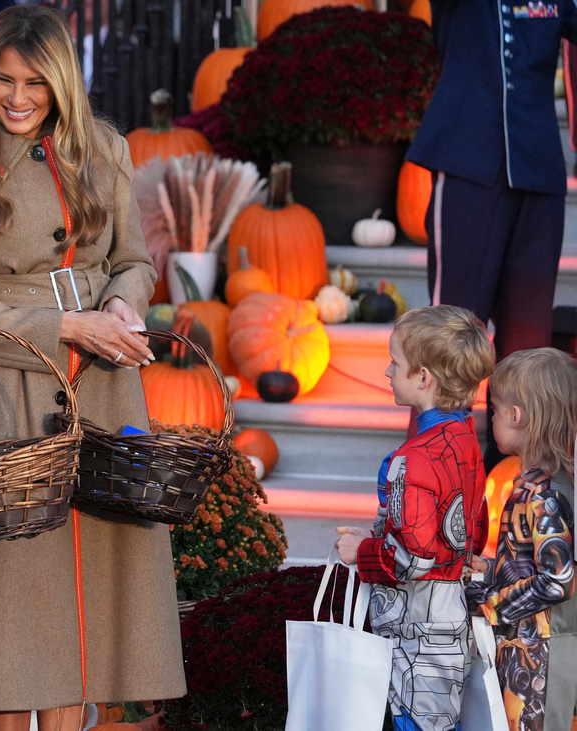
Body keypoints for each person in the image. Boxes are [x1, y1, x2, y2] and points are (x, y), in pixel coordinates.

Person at [0, 5, 184, 731]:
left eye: (35, 82)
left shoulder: (106, 149)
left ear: (63, 80)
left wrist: (124, 309)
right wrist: (68, 324)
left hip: (102, 379)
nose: (18, 97)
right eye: (3, 80)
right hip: (4, 385)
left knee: (88, 588)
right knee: (15, 596)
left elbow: (133, 261)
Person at [405, 1, 577, 470]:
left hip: (537, 167)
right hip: (467, 162)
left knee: (528, 344)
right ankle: (429, 483)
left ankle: (522, 488)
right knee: (450, 338)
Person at [335, 304, 495, 731]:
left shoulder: (412, 458)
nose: (387, 371)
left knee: (412, 723)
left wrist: (360, 551)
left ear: (423, 377)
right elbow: (471, 529)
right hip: (451, 618)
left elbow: (410, 558)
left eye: (395, 362)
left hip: (414, 630)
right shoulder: (468, 445)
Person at [464, 348, 577, 731]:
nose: (491, 417)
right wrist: (495, 568)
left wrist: (488, 603)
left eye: (493, 409)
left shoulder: (544, 496)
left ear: (517, 416)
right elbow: (538, 563)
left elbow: (558, 579)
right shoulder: (544, 484)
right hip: (530, 647)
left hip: (541, 658)